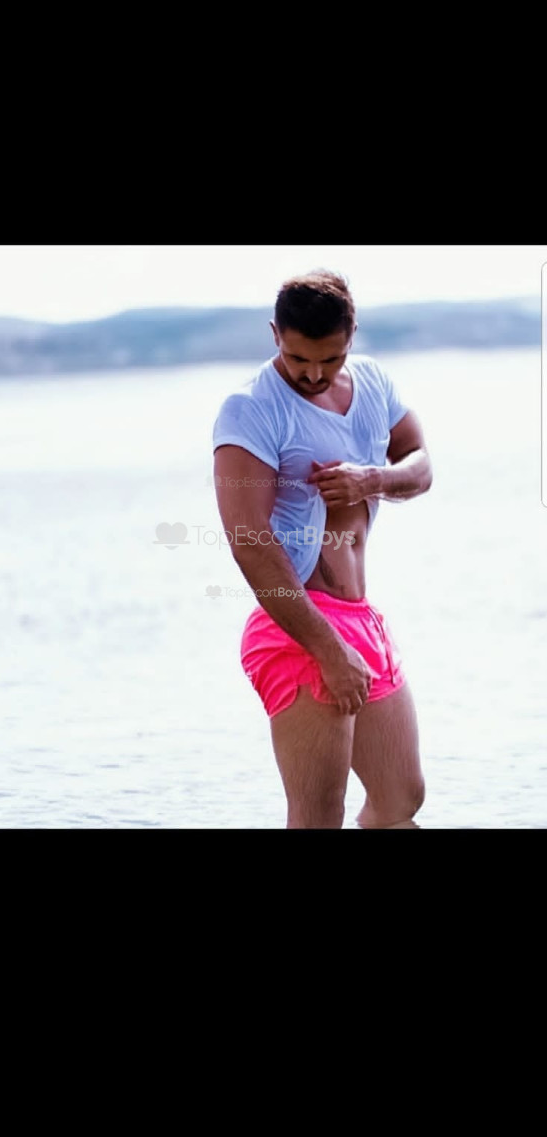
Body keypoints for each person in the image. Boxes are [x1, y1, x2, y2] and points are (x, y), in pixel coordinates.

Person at [211, 270, 433, 829]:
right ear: (275, 334)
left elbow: (420, 465)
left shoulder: (374, 384)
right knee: (317, 816)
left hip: (361, 617)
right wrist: (329, 652)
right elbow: (248, 541)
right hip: (298, 628)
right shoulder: (250, 409)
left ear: (351, 336)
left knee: (400, 802)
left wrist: (372, 479)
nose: (312, 374)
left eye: (329, 360)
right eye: (297, 358)